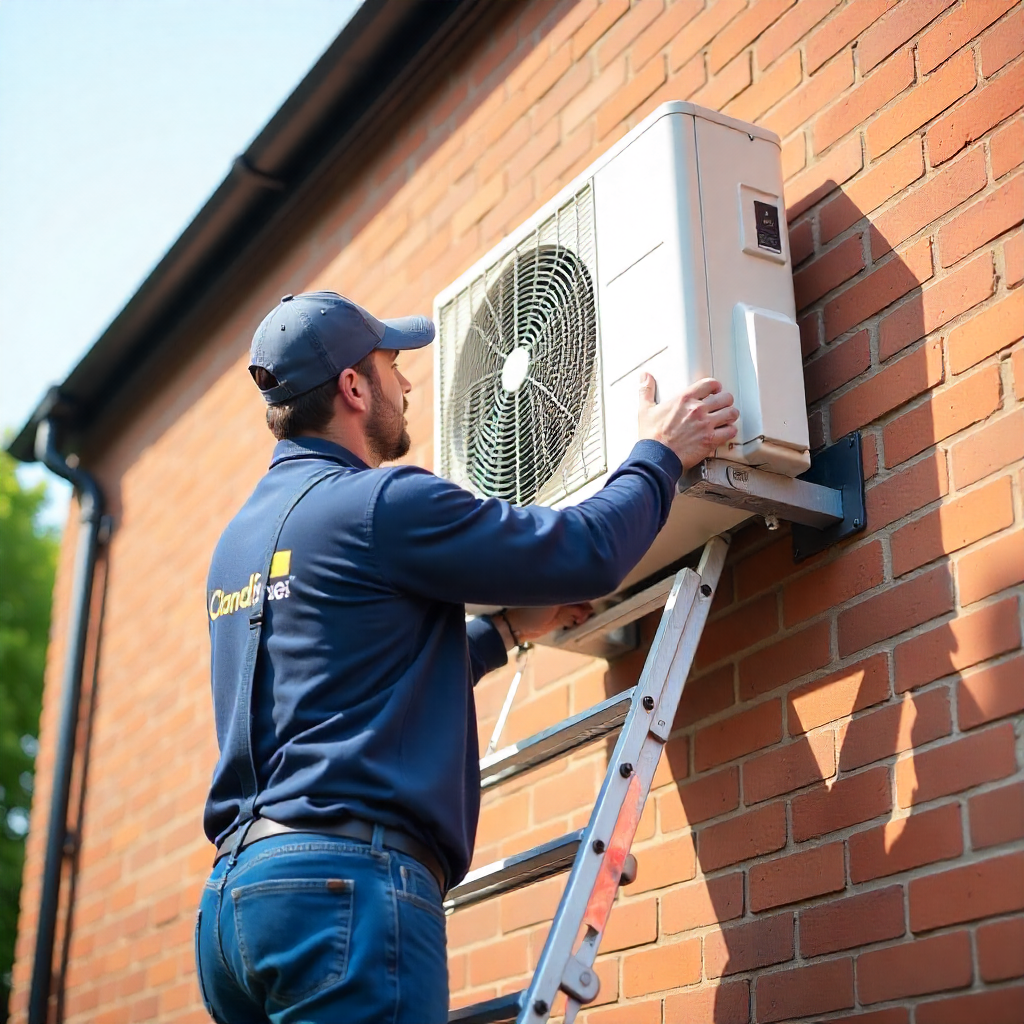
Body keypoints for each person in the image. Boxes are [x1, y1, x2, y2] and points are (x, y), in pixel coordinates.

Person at [194, 290, 738, 1024]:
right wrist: (660, 454)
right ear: (354, 387)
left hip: (234, 910)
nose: (408, 384)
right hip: (342, 896)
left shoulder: (237, 546)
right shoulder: (380, 503)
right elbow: (587, 552)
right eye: (392, 365)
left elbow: (350, 681)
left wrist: (507, 632)